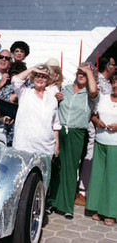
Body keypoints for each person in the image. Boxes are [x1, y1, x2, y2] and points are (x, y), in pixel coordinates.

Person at [47, 62, 99, 220]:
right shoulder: (66, 88)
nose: (81, 75)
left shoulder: (91, 93)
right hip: (60, 130)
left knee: (70, 169)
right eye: (79, 72)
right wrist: (57, 98)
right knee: (56, 166)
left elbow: (94, 91)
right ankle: (52, 202)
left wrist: (89, 71)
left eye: (84, 73)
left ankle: (66, 206)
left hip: (77, 132)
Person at [86, 72, 117, 226]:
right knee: (98, 176)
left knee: (112, 179)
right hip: (100, 141)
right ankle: (97, 208)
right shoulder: (103, 98)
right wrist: (97, 121)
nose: (116, 86)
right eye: (114, 82)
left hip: (115, 144)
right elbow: (92, 115)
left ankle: (111, 212)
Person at [11, 64, 60, 156]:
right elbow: (15, 80)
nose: (40, 79)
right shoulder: (25, 93)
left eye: (44, 76)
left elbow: (55, 124)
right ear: (33, 78)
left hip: (46, 148)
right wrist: (32, 69)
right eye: (37, 75)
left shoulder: (52, 98)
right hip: (24, 146)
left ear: (48, 80)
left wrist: (56, 144)